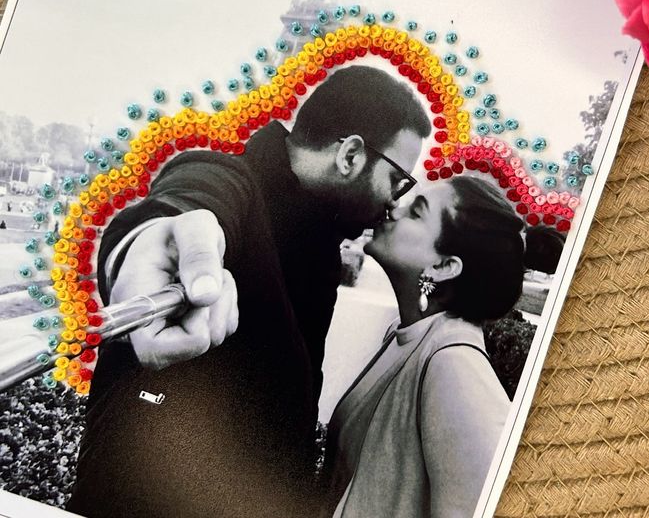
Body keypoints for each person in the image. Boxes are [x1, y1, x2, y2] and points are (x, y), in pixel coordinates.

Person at [68, 65, 430, 518]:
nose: (395, 200)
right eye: (399, 180)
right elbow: (196, 195)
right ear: (351, 156)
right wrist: (147, 241)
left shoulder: (321, 231)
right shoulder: (235, 182)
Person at [322, 176, 561, 518]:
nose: (394, 207)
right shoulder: (409, 334)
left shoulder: (455, 363)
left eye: (416, 212)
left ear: (444, 266)